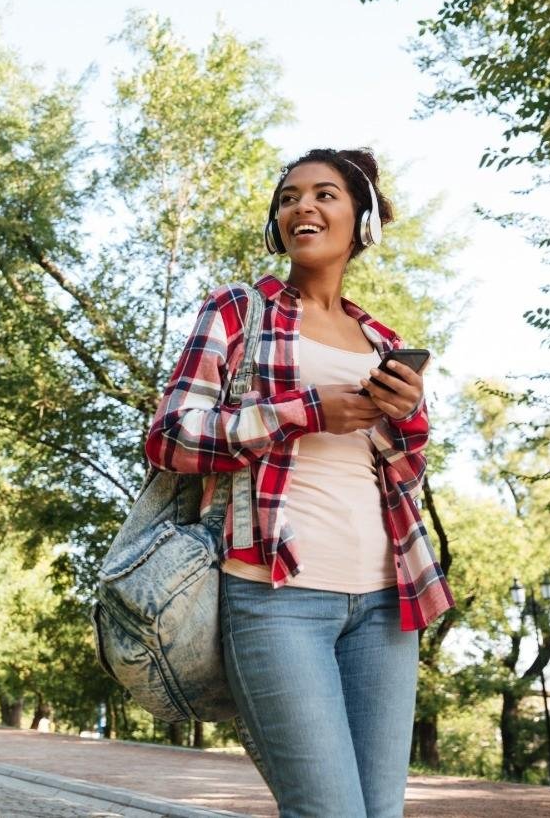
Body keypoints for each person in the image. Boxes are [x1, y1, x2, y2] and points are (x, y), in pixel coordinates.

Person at [145, 147, 454, 818]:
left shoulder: (380, 339)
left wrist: (408, 419)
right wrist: (304, 413)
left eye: (324, 195)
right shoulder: (237, 312)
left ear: (361, 220)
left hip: (386, 603)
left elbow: (402, 472)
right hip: (277, 598)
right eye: (289, 197)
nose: (302, 207)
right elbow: (169, 436)